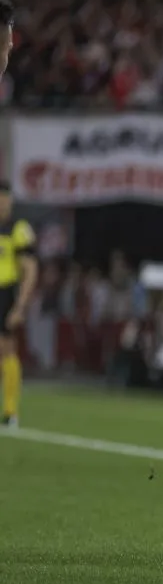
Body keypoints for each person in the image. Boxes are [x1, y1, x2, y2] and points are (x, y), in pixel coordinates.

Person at [0, 179, 37, 428]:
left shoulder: (18, 229)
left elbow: (30, 269)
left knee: (6, 349)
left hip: (5, 293)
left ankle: (11, 412)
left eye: (5, 198)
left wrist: (21, 306)